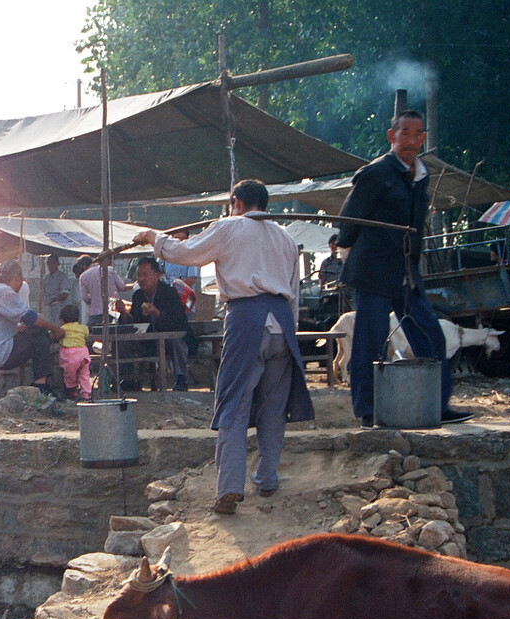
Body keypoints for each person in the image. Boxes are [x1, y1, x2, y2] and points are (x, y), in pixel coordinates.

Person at [132, 179, 314, 515]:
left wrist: (152, 236)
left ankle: (230, 486)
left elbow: (183, 253)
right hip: (282, 326)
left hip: (247, 320)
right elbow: (293, 293)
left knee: (234, 401)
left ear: (237, 203)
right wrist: (290, 335)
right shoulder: (286, 238)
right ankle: (267, 477)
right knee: (274, 408)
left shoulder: (230, 226)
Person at [337, 110, 472, 428]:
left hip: (406, 270)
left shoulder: (421, 176)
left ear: (423, 138)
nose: (411, 140)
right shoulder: (375, 173)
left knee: (431, 336)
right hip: (373, 269)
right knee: (371, 342)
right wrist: (345, 249)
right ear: (392, 136)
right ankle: (368, 410)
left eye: (417, 134)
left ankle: (436, 405)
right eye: (405, 133)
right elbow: (349, 219)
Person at [0, 259, 64, 394]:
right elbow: (31, 318)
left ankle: (40, 382)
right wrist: (57, 329)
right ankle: (41, 384)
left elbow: (9, 326)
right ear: (17, 278)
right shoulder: (4, 292)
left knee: (33, 331)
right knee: (39, 333)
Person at [119, 256, 190, 391]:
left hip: (170, 339)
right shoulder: (138, 295)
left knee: (175, 341)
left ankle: (181, 378)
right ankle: (128, 378)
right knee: (124, 341)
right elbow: (134, 321)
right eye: (139, 275)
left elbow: (178, 320)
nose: (141, 279)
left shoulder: (169, 292)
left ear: (157, 275)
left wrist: (157, 313)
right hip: (148, 341)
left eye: (145, 275)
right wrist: (123, 313)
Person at [78, 254, 125, 326]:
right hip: (112, 312)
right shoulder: (110, 270)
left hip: (95, 314)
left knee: (92, 334)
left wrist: (94, 300)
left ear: (84, 266)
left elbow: (85, 298)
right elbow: (121, 286)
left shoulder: (83, 276)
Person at [57, 303, 91, 400]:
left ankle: (72, 392)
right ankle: (86, 395)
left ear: (62, 320)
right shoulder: (82, 328)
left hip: (70, 354)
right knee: (84, 375)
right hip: (83, 353)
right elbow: (86, 334)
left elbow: (53, 335)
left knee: (70, 375)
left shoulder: (63, 328)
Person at [40, 255, 76, 324]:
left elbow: (65, 294)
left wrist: (53, 300)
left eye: (53, 263)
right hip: (48, 309)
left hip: (59, 309)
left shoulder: (62, 277)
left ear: (57, 264)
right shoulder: (46, 279)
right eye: (49, 263)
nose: (50, 265)